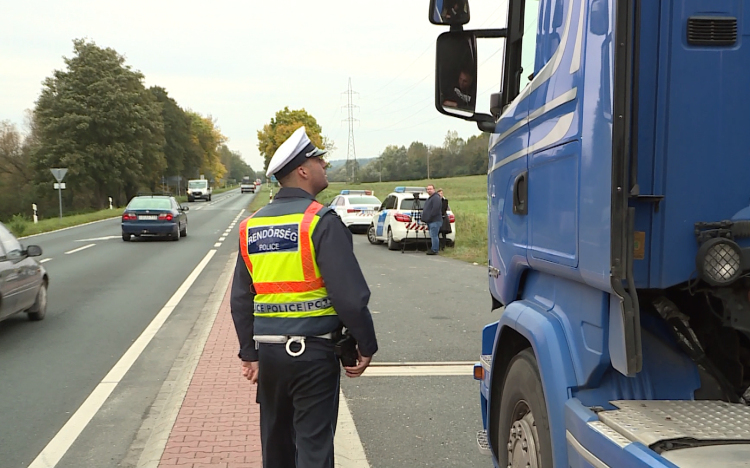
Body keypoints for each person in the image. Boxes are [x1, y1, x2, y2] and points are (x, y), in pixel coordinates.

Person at [230, 126, 378, 468]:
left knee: (277, 448)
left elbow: (241, 298)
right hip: (312, 355)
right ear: (302, 170)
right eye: (319, 160)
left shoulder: (250, 226)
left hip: (268, 357)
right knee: (313, 448)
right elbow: (350, 297)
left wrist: (249, 353)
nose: (325, 165)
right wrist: (366, 345)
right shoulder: (320, 222)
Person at [421, 184, 443, 255]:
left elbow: (435, 209)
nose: (429, 190)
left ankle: (435, 249)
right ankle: (433, 248)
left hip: (435, 220)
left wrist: (429, 217)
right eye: (428, 189)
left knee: (434, 235)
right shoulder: (430, 198)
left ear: (434, 189)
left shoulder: (436, 198)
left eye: (430, 189)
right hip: (430, 221)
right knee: (432, 235)